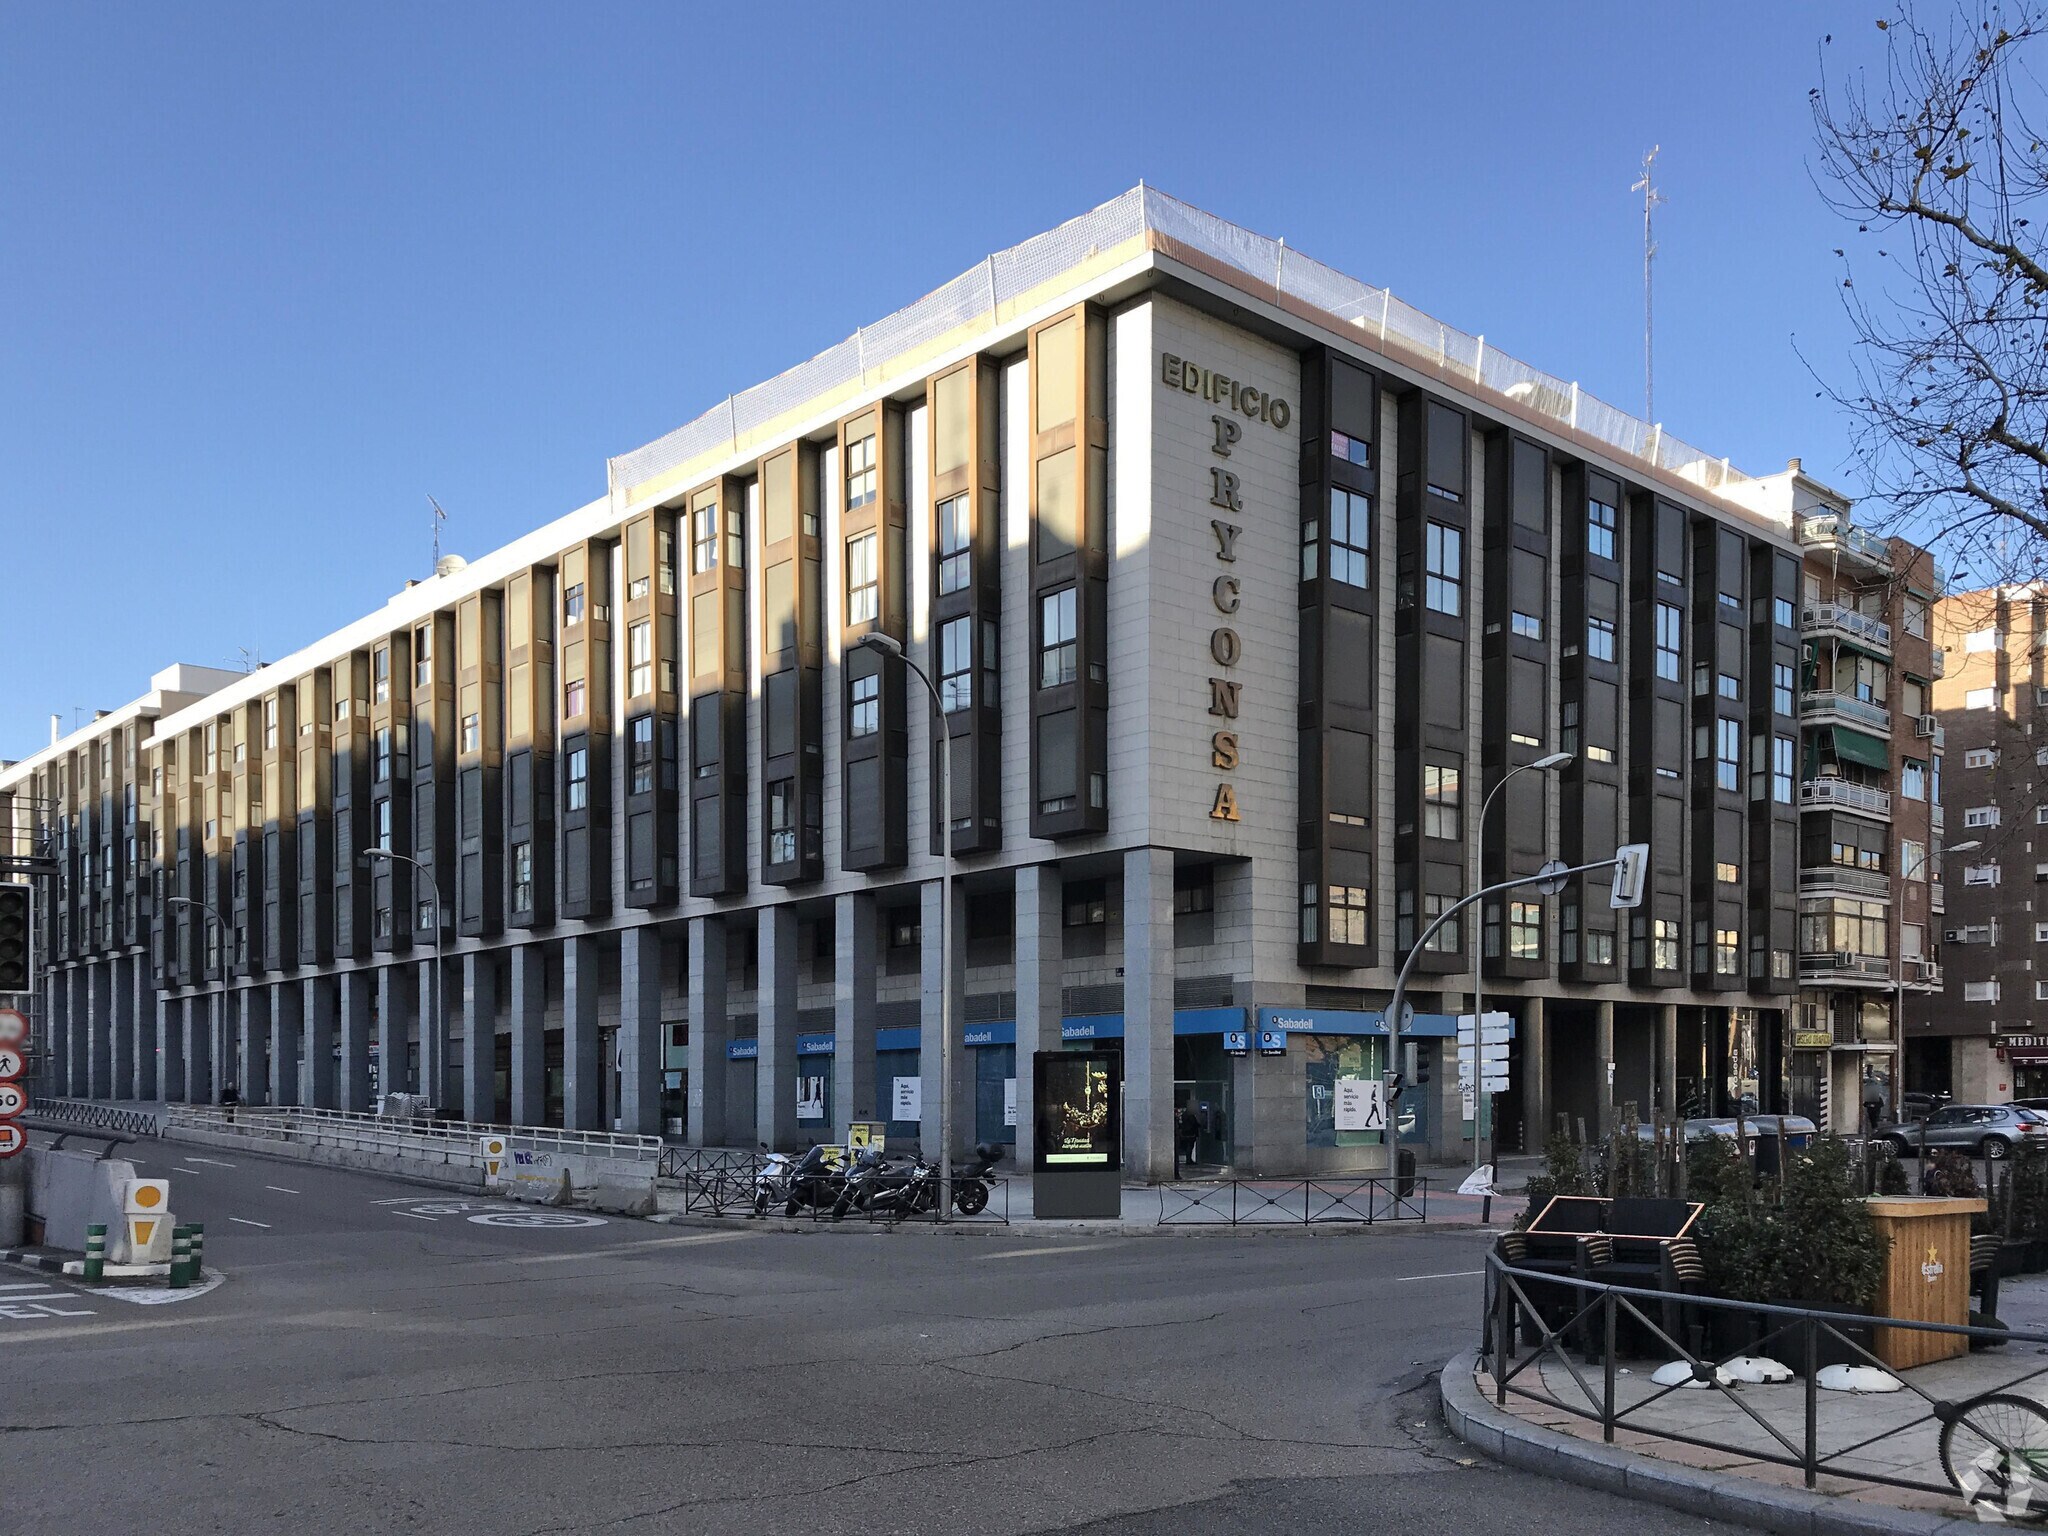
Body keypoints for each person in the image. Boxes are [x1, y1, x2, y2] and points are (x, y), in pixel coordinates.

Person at [1177, 1104, 1202, 1170]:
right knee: (1190, 1147)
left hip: (1185, 1133)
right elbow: (1194, 1123)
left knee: (1188, 1147)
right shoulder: (1190, 1115)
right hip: (1191, 1133)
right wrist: (1199, 1125)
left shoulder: (1184, 1114)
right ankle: (1189, 1160)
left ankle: (1189, 1159)